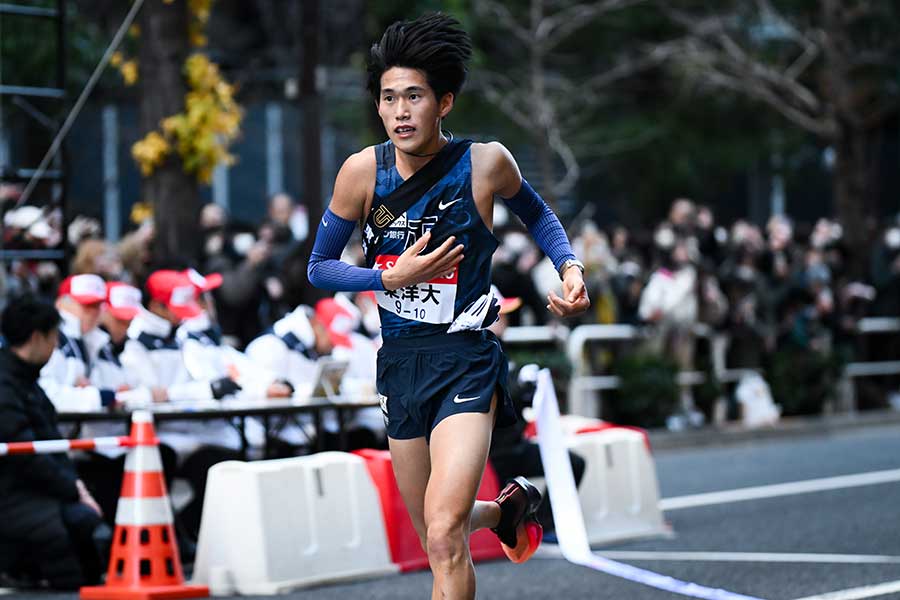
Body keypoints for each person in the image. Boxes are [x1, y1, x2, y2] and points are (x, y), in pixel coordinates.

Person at [307, 13, 589, 599]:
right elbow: (317, 269)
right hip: (402, 366)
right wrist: (389, 277)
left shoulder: (484, 163)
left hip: (466, 361)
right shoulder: (361, 173)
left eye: (414, 96)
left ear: (444, 102)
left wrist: (569, 267)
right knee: (438, 536)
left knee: (442, 534)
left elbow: (537, 213)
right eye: (389, 99)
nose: (400, 111)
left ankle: (498, 514)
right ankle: (509, 512)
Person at [0, 294, 108, 589]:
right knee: (81, 545)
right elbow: (27, 454)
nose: (56, 345)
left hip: (38, 492)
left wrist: (74, 487)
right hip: (18, 497)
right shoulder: (8, 385)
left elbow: (48, 445)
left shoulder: (25, 381)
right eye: (53, 337)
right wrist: (72, 489)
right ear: (37, 337)